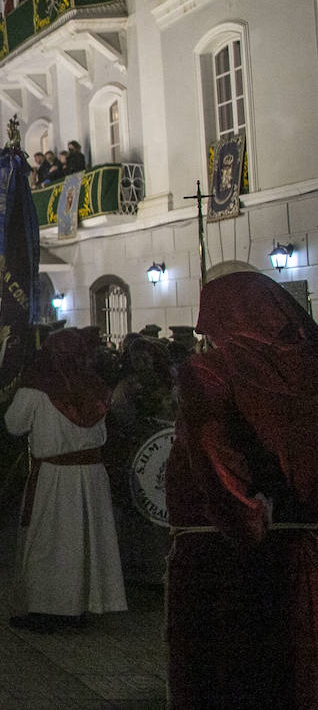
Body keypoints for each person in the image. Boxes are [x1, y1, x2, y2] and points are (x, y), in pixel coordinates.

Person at [166, 266, 318, 709]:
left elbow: (220, 473)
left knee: (239, 678)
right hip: (308, 548)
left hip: (230, 563)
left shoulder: (210, 372)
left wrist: (250, 519)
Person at [5, 328, 127, 631]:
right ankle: (83, 603)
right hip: (92, 476)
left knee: (51, 541)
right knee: (85, 539)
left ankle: (51, 608)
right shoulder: (96, 386)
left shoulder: (36, 387)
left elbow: (14, 424)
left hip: (55, 477)